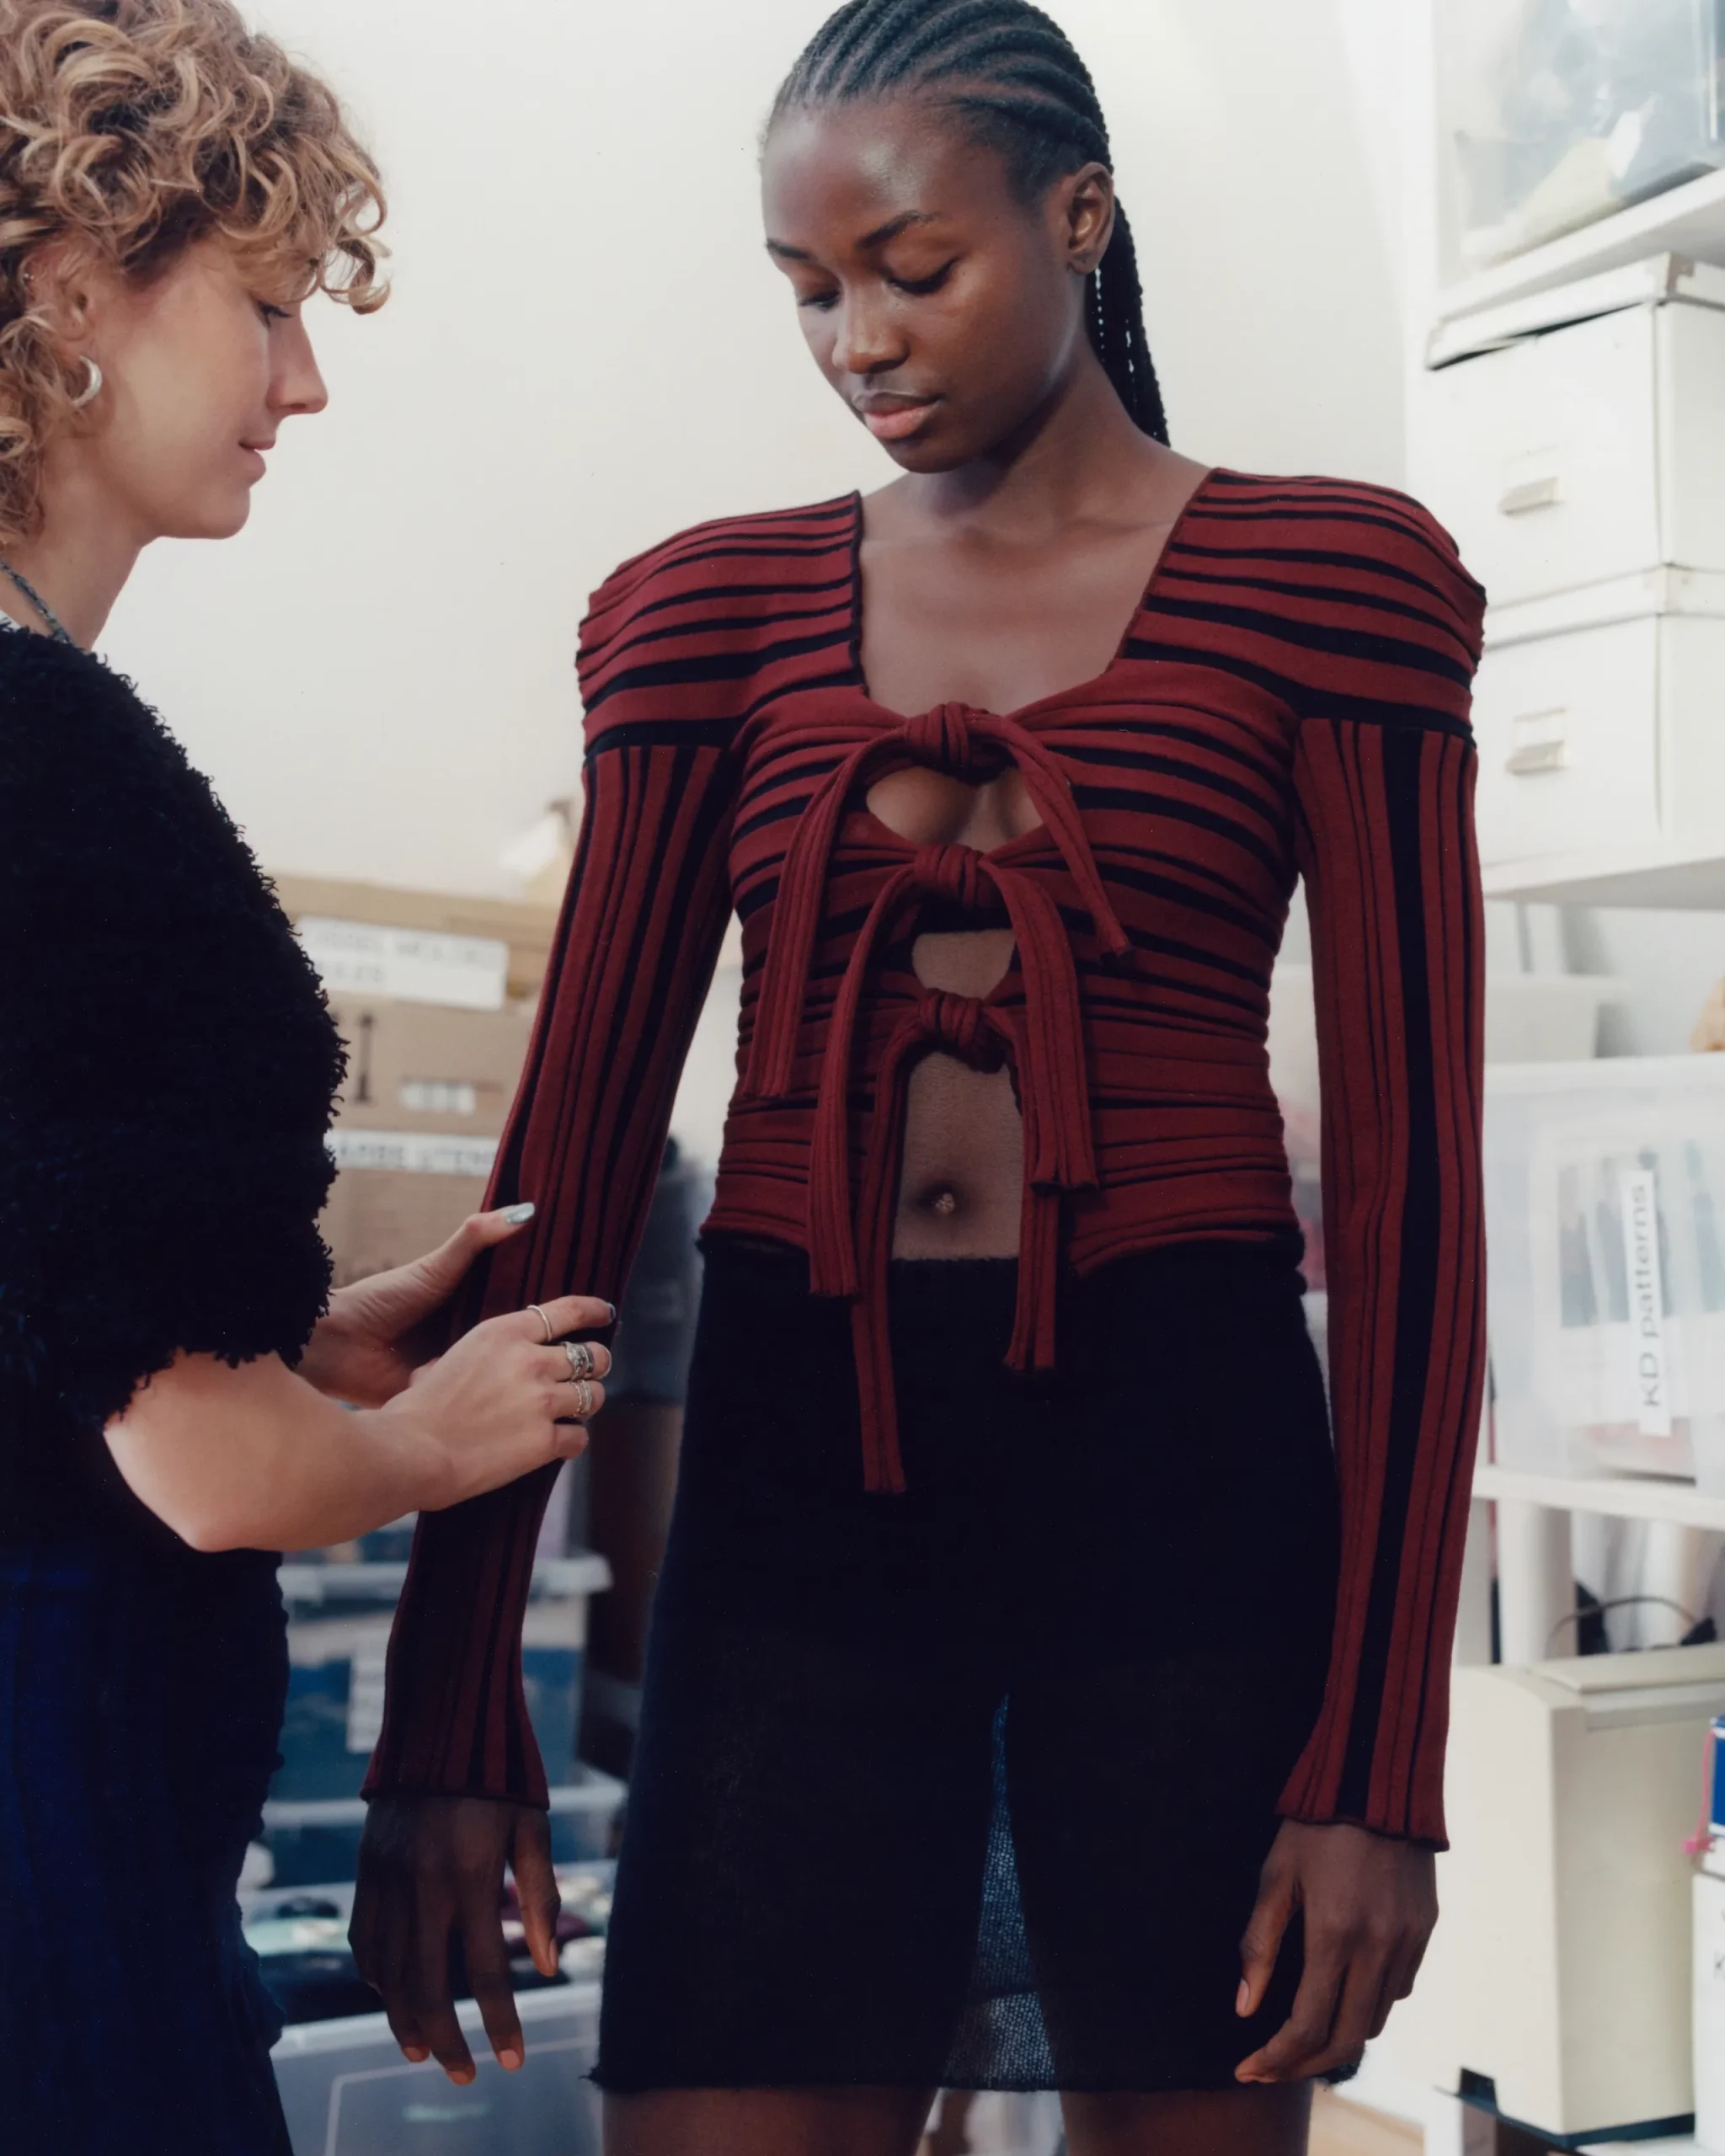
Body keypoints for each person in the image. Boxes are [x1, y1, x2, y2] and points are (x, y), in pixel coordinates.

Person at [354, 3, 1487, 2151]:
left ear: (1078, 217)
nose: (855, 339)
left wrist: (1376, 1767)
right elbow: (567, 1168)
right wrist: (448, 1708)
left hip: (1183, 1486)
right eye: (807, 290)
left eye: (910, 266)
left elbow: (1422, 1202)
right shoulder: (705, 615)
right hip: (802, 1499)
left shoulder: (1327, 586)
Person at [0, 4, 616, 2149]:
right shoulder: (53, 763)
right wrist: (435, 1432)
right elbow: (198, 1473)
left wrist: (306, 1347)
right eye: (263, 309)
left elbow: (55, 1293)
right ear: (75, 291)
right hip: (53, 1849)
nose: (305, 380)